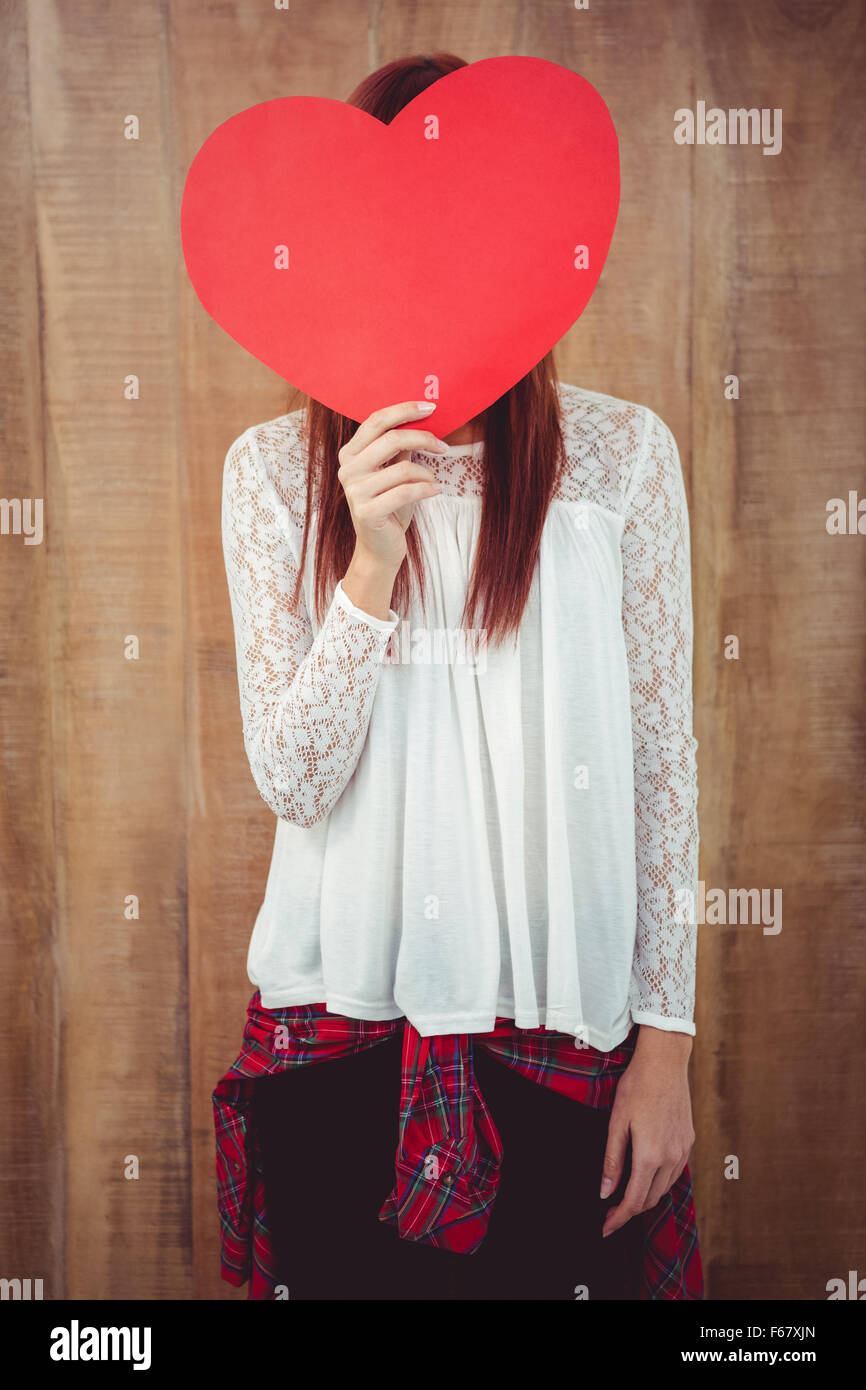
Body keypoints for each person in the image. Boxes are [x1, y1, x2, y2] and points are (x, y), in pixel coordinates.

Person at [213, 51, 702, 1301]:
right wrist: (368, 560)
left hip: (561, 1037)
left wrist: (667, 1051)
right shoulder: (272, 473)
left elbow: (660, 766)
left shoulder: (620, 460)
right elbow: (296, 777)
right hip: (338, 1029)